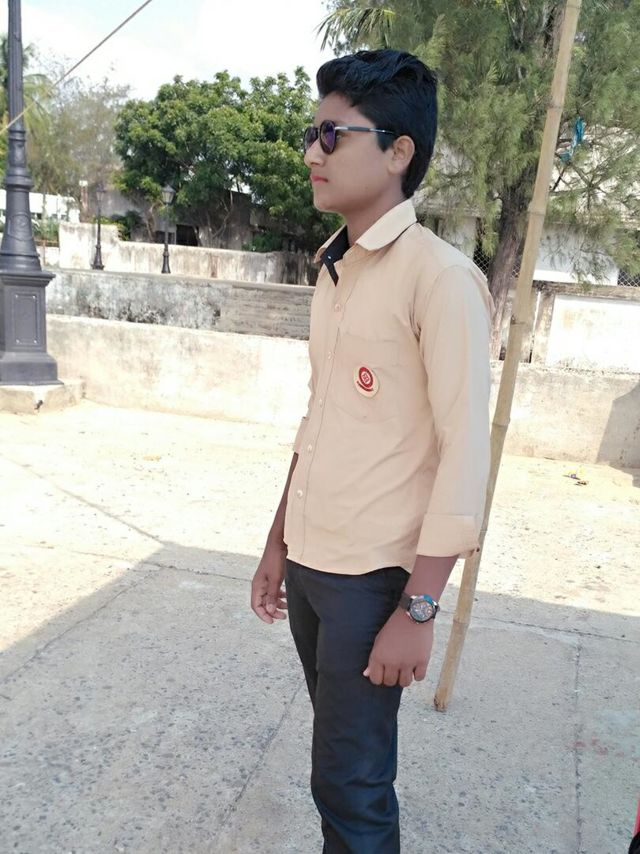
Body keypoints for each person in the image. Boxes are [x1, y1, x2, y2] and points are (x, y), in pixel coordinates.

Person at [251, 48, 493, 853]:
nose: (311, 152)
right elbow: (319, 417)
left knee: (350, 785)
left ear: (398, 151)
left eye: (332, 134)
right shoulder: (337, 268)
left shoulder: (441, 280)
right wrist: (278, 542)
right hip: (313, 564)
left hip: (372, 581)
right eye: (311, 133)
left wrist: (419, 609)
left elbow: (465, 452)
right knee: (339, 764)